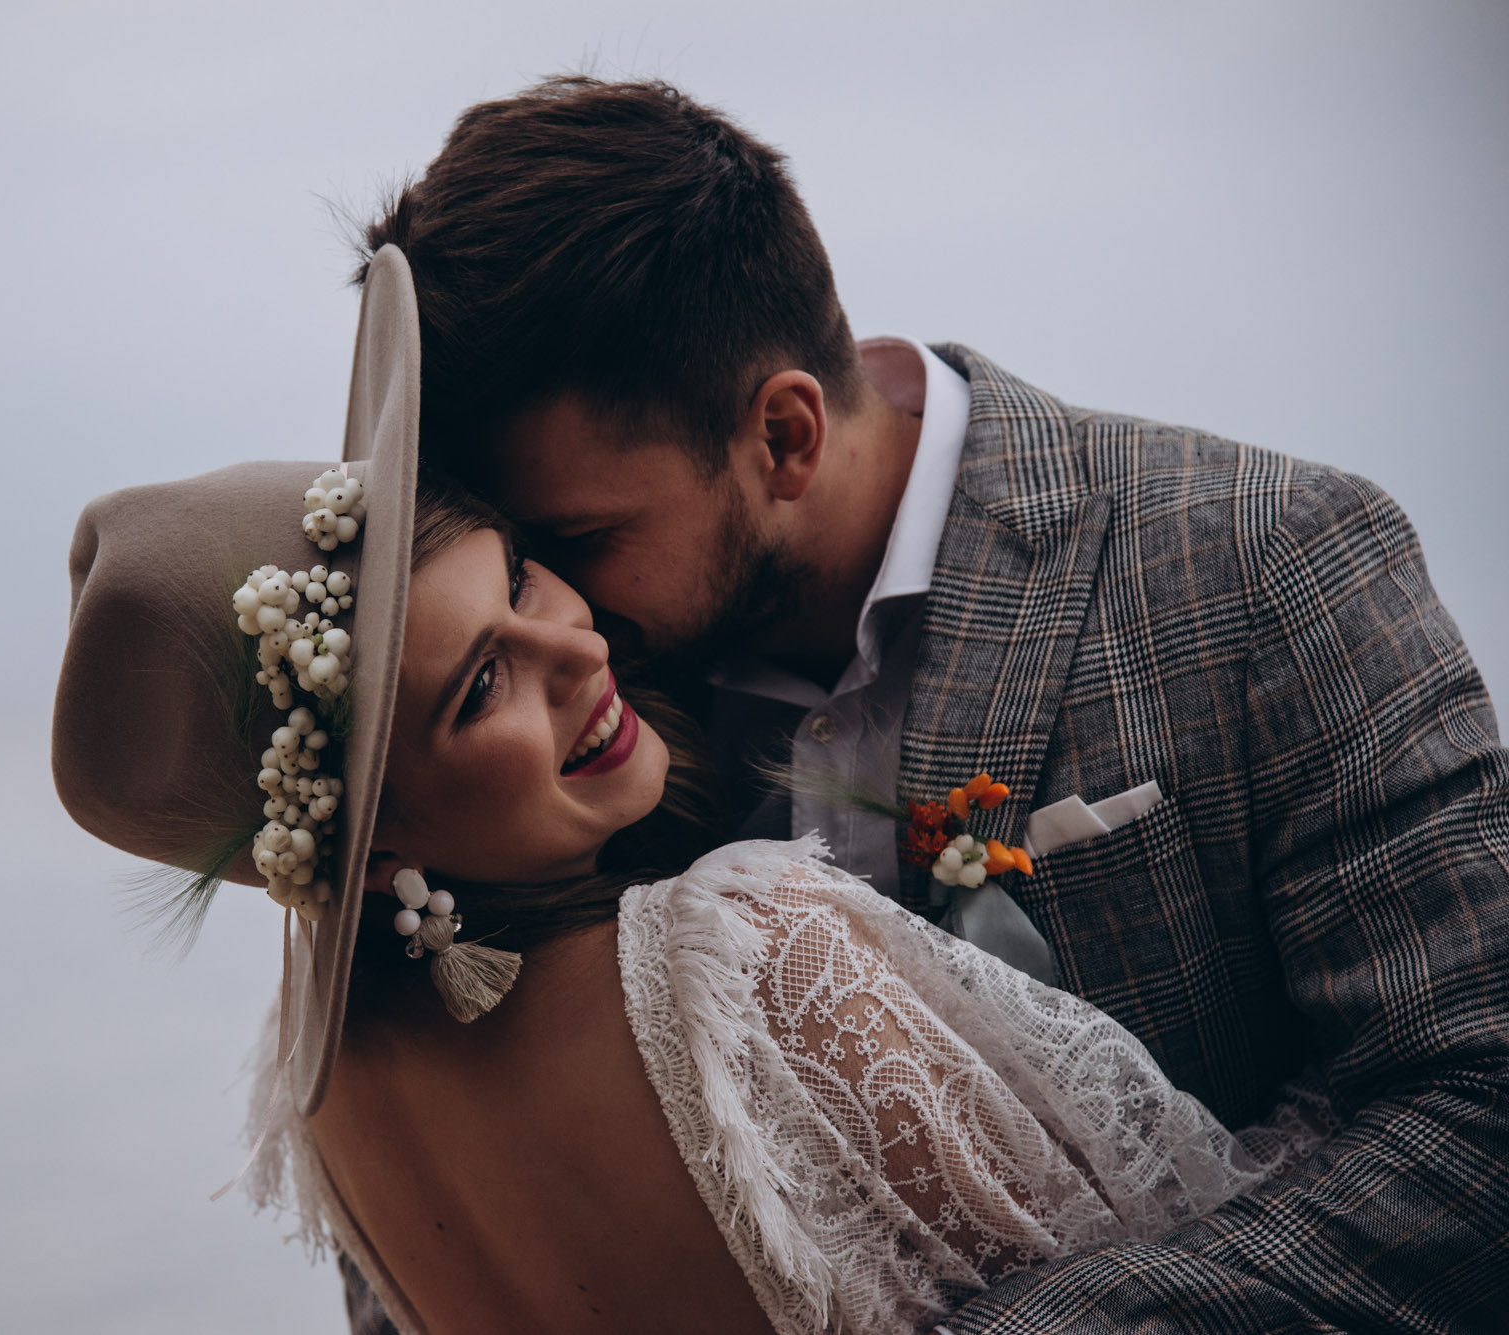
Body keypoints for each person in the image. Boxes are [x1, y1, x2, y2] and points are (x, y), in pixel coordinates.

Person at [343, 76, 1509, 1333]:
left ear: (783, 437)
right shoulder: (557, 730)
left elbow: (1474, 1113)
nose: (561, 616)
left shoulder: (1260, 555)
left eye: (574, 540)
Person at [50, 251, 1326, 1335]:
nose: (579, 649)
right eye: (481, 685)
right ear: (374, 846)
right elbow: (1191, 1271)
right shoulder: (748, 959)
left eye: (523, 577)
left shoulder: (328, 1093)